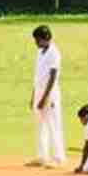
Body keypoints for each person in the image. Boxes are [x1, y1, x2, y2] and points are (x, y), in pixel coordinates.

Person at [30, 25, 65, 168]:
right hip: (39, 91)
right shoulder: (40, 52)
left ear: (46, 38)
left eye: (38, 40)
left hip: (50, 93)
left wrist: (45, 97)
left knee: (53, 124)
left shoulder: (54, 53)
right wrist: (34, 96)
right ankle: (42, 156)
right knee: (40, 124)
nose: (36, 43)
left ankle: (58, 157)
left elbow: (52, 77)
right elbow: (37, 76)